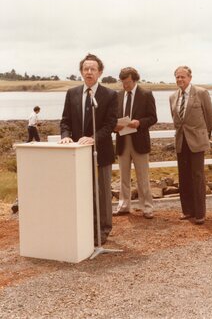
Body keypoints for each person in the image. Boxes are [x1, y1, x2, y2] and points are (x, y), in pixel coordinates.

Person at [60, 54, 118, 245]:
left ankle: (103, 230)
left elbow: (110, 125)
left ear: (100, 72)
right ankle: (85, 228)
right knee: (81, 192)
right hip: (77, 154)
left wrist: (92, 139)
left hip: (100, 152)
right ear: (81, 72)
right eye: (86, 69)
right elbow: (65, 121)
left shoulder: (109, 95)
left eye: (93, 69)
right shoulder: (72, 93)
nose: (89, 72)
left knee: (101, 193)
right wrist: (66, 136)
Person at [169, 66, 212, 224]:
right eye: (177, 77)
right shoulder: (172, 97)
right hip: (181, 142)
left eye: (183, 77)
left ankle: (200, 213)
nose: (180, 80)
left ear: (190, 78)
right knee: (184, 177)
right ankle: (187, 210)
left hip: (197, 142)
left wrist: (204, 137)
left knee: (197, 177)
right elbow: (176, 121)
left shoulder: (201, 93)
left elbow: (210, 118)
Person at [113, 67, 157, 219]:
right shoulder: (117, 95)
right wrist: (114, 126)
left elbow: (153, 118)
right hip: (122, 140)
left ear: (135, 80)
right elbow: (112, 118)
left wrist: (139, 123)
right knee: (124, 177)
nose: (125, 86)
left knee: (143, 177)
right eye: (123, 83)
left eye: (128, 82)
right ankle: (124, 205)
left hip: (139, 140)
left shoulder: (146, 94)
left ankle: (147, 207)